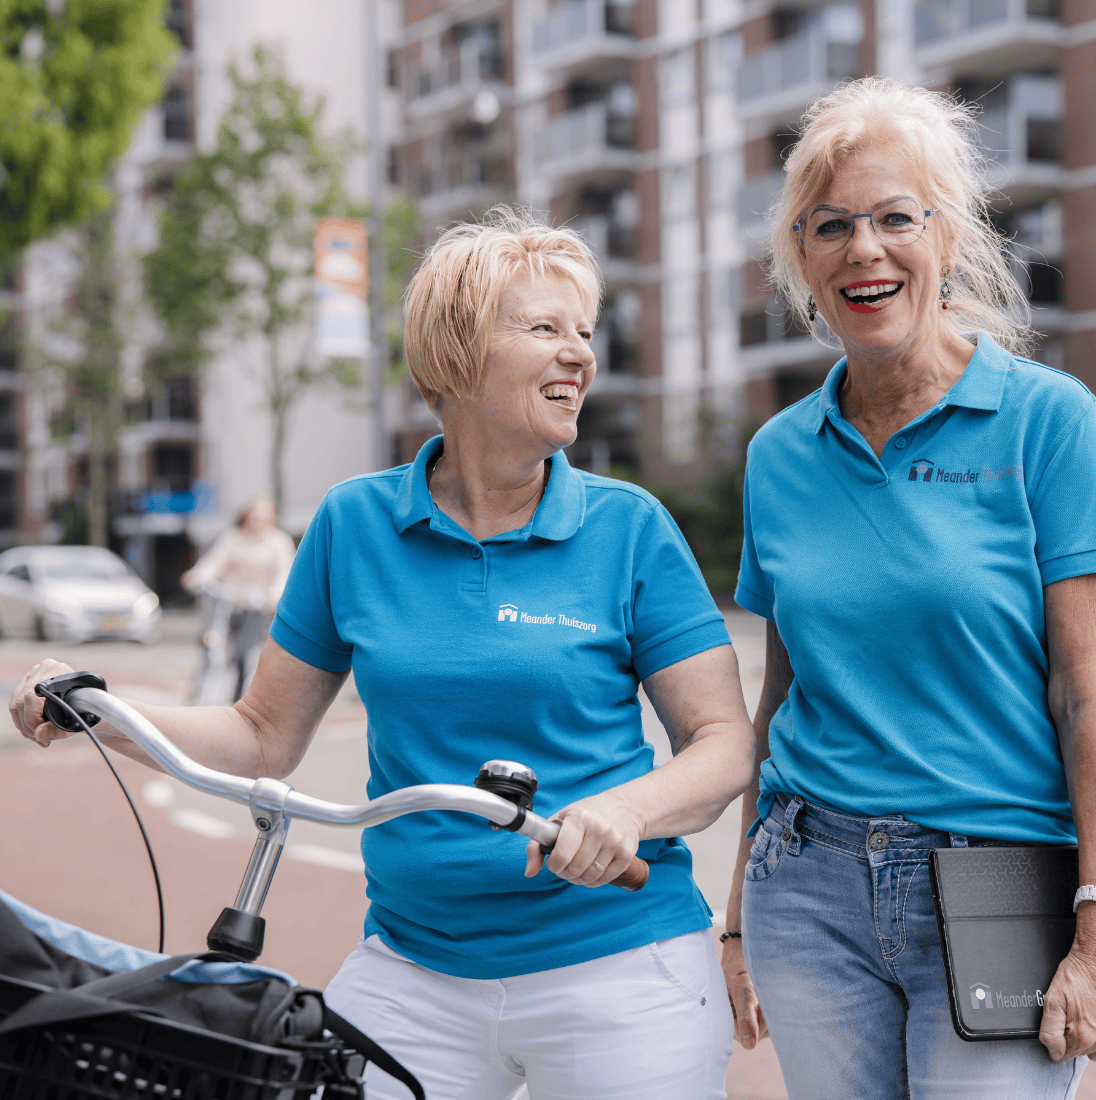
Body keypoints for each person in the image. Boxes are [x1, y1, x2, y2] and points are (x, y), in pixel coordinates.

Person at [11, 209, 756, 1100]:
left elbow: (723, 741)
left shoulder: (628, 528)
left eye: (584, 334)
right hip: (413, 966)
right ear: (457, 350)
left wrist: (627, 812)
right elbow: (261, 736)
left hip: (620, 960)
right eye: (546, 329)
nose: (580, 356)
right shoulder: (353, 523)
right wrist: (96, 708)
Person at [718, 78, 1096, 1100]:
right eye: (831, 227)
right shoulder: (779, 454)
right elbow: (780, 700)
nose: (864, 248)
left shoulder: (1050, 420)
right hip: (808, 884)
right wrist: (737, 912)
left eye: (894, 218)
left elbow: (1091, 696)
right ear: (804, 264)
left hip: (1001, 881)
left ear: (947, 240)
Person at [182, 498, 296, 700]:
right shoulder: (233, 538)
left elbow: (284, 572)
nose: (256, 522)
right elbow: (214, 561)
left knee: (245, 654)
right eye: (252, 517)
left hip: (256, 607)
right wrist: (197, 576)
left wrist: (275, 594)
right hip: (226, 603)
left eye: (262, 518)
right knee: (211, 644)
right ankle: (199, 689)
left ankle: (238, 699)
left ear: (271, 519)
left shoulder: (279, 542)